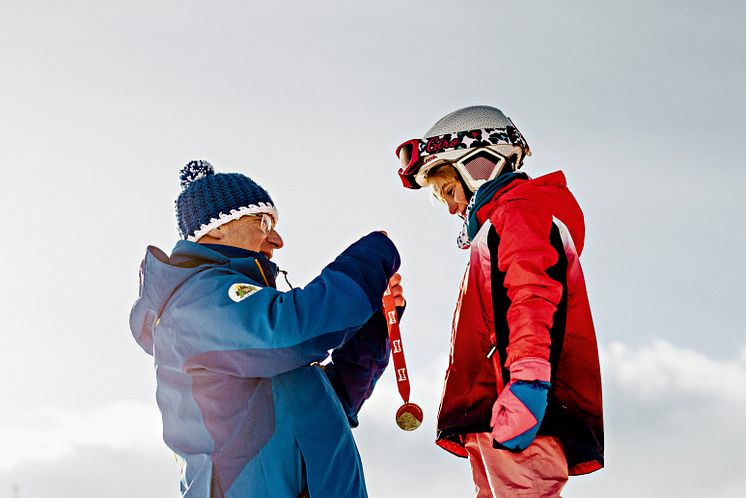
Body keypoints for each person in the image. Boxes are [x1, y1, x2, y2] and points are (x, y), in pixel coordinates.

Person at [130, 160, 403, 498]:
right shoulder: (195, 303)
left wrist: (372, 319)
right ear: (215, 229)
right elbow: (290, 333)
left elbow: (334, 401)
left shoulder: (248, 330)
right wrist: (371, 258)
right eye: (263, 222)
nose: (277, 239)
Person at [394, 106, 604, 497]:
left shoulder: (519, 211)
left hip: (518, 399)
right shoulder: (504, 221)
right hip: (495, 404)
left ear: (479, 166)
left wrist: (528, 379)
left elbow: (532, 293)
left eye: (449, 192)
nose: (453, 208)